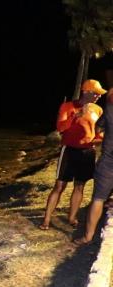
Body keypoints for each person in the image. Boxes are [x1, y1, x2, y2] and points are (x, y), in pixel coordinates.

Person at [40, 79, 106, 230]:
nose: (98, 96)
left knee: (80, 186)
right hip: (69, 150)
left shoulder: (97, 110)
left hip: (88, 152)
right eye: (96, 93)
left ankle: (71, 217)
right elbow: (60, 128)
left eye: (99, 94)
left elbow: (99, 132)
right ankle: (46, 220)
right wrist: (76, 116)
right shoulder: (68, 106)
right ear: (86, 92)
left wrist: (98, 139)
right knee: (59, 186)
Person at [74, 88, 113, 245]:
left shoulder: (109, 110)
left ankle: (88, 236)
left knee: (98, 199)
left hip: (108, 161)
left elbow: (98, 128)